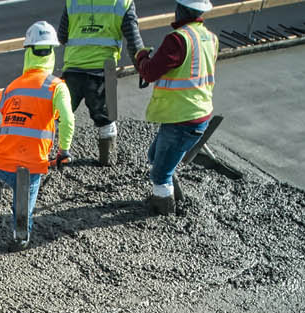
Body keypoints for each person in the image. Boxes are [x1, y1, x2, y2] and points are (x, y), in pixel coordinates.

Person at [0, 22, 75, 249]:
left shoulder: (12, 87)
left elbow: (5, 110)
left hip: (1, 161)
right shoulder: (57, 87)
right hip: (32, 165)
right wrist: (63, 151)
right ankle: (21, 235)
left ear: (28, 52)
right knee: (25, 197)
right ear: (52, 53)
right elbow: (67, 119)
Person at [134, 0, 218, 214]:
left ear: (180, 9)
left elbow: (150, 72)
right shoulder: (210, 38)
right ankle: (173, 192)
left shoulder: (178, 40)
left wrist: (141, 57)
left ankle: (163, 208)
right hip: (197, 113)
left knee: (159, 174)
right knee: (155, 155)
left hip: (183, 117)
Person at [57, 0, 146, 166]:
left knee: (60, 114)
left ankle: (47, 157)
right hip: (107, 70)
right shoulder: (123, 3)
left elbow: (62, 36)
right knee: (108, 118)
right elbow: (134, 42)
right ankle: (108, 160)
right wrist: (142, 68)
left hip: (73, 67)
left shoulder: (73, 2)